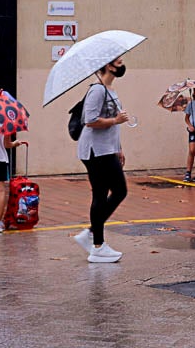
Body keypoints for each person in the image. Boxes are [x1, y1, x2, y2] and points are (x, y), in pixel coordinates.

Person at [72, 58, 131, 263]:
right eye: (118, 61)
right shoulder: (97, 90)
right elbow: (90, 120)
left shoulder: (110, 90)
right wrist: (115, 120)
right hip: (95, 150)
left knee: (112, 192)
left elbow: (113, 126)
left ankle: (92, 235)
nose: (122, 64)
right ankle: (97, 245)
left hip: (107, 149)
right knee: (109, 192)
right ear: (107, 65)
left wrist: (119, 148)